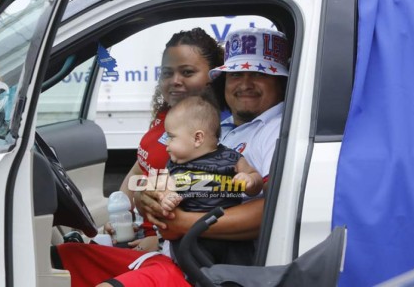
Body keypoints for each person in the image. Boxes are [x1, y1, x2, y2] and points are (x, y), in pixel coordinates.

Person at [57, 27, 289, 287]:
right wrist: (148, 200)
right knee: (67, 258)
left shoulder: (279, 131)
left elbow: (274, 210)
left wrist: (183, 224)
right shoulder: (217, 128)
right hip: (172, 254)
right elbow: (153, 177)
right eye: (236, 74)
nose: (245, 84)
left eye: (258, 74)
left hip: (204, 269)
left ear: (280, 82)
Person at [161, 92, 263, 264]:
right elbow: (162, 185)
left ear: (197, 138)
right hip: (191, 241)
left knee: (238, 273)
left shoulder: (232, 158)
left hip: (231, 237)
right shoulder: (174, 166)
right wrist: (166, 196)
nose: (166, 145)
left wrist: (250, 180)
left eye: (171, 137)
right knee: (198, 276)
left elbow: (255, 179)